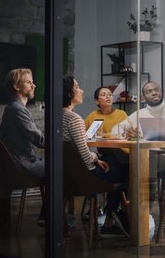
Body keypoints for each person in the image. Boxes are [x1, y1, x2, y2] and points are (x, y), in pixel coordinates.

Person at [62, 75, 129, 238]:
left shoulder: (56, 116)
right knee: (128, 171)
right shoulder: (74, 119)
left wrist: (95, 157)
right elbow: (85, 156)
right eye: (77, 87)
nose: (81, 90)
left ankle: (111, 216)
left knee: (117, 164)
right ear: (68, 93)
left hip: (68, 174)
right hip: (86, 175)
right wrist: (95, 158)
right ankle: (113, 217)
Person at [111, 81, 165, 182]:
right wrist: (126, 134)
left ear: (161, 92)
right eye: (149, 91)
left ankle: (150, 197)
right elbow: (114, 131)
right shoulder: (139, 114)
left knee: (149, 160)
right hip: (146, 154)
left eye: (156, 90)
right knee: (127, 159)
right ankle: (134, 196)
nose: (154, 93)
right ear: (143, 97)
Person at [0, 68, 46, 226]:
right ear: (16, 87)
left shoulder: (13, 108)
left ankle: (48, 214)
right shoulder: (17, 110)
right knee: (63, 168)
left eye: (33, 82)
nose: (34, 86)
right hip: (24, 167)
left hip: (19, 164)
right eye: (28, 82)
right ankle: (49, 216)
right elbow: (39, 141)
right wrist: (61, 139)